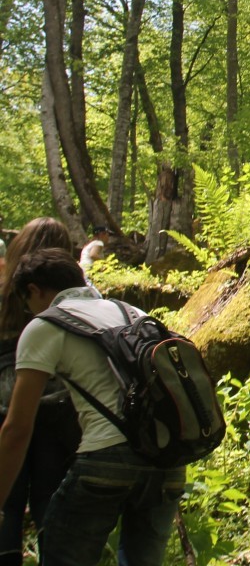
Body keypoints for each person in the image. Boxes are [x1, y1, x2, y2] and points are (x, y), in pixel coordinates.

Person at [0, 249, 184, 565]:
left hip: (106, 458)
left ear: (34, 290)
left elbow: (17, 428)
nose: (29, 312)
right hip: (167, 458)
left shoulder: (44, 326)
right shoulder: (132, 312)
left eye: (27, 303)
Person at [0, 220, 80, 566]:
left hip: (5, 405)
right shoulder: (68, 298)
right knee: (51, 494)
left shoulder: (6, 292)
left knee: (7, 498)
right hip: (57, 404)